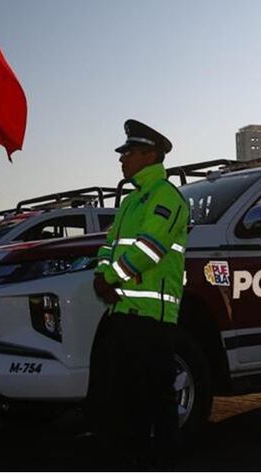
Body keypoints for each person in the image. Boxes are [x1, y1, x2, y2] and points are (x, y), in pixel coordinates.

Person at [92, 120, 189, 466]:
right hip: (122, 313)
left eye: (129, 153)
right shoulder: (132, 201)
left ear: (151, 155)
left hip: (152, 321)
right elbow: (109, 245)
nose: (123, 159)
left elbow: (151, 248)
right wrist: (102, 274)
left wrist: (110, 279)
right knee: (125, 399)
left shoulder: (165, 196)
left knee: (156, 401)